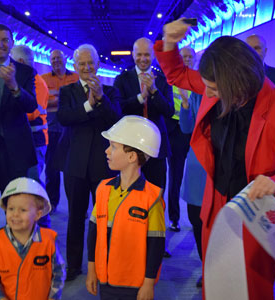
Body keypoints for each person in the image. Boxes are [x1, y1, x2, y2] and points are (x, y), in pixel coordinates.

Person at [154, 18, 275, 300]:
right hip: (217, 202)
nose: (209, 94)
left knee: (250, 287)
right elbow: (177, 74)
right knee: (215, 278)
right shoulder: (215, 85)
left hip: (256, 209)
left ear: (236, 83)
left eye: (214, 90)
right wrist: (169, 42)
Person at [56, 44, 122, 281]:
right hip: (74, 164)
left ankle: (103, 263)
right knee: (75, 217)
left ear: (98, 64)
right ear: (75, 66)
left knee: (104, 218)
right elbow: (64, 118)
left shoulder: (111, 92)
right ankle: (73, 266)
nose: (86, 67)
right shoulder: (68, 91)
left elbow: (116, 120)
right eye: (81, 63)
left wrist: (101, 99)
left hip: (103, 164)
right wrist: (88, 105)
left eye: (90, 63)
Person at [86, 115, 165, 300]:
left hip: (135, 285)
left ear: (131, 156)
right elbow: (93, 232)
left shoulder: (152, 198)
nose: (106, 151)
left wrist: (148, 283)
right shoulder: (103, 190)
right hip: (105, 280)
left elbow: (156, 245)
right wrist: (91, 269)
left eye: (113, 147)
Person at [0, 24, 37, 233]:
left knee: (16, 208)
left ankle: (16, 256)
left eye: (4, 40)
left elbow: (31, 105)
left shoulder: (25, 72)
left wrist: (14, 86)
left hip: (16, 152)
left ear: (11, 44)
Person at [113, 37, 174, 190]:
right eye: (139, 54)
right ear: (133, 55)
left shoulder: (162, 80)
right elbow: (118, 108)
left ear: (153, 55)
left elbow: (169, 110)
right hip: (130, 145)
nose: (143, 59)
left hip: (157, 145)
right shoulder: (122, 80)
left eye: (146, 55)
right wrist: (141, 97)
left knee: (156, 190)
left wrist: (154, 91)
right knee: (130, 191)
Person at [0, 177, 65, 300]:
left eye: (23, 210)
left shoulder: (48, 240)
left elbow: (58, 272)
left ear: (38, 214)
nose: (15, 214)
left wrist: (53, 297)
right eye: (11, 209)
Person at [41, 49, 79, 213]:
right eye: (53, 59)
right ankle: (52, 202)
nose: (56, 61)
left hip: (72, 129)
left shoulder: (75, 78)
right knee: (52, 168)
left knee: (75, 168)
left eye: (59, 58)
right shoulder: (44, 80)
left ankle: (78, 204)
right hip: (52, 130)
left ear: (65, 60)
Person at [166, 46, 194, 232]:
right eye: (183, 57)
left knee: (194, 176)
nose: (186, 60)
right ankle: (174, 218)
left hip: (193, 132)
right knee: (175, 177)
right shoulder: (170, 80)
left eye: (189, 57)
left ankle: (196, 217)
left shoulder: (200, 80)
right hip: (175, 131)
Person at [11, 45, 49, 182]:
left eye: (12, 61)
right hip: (27, 140)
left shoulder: (37, 83)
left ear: (20, 62)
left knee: (32, 185)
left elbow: (32, 113)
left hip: (35, 142)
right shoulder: (34, 81)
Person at [179, 91, 206, 288]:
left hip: (225, 166)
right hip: (198, 166)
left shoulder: (232, 91)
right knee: (196, 220)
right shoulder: (196, 94)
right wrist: (186, 104)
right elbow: (186, 127)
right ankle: (207, 267)